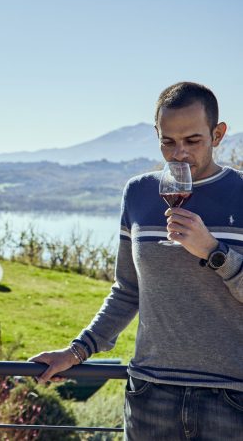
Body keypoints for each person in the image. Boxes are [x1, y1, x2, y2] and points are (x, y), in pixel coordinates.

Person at [29, 82, 243, 440]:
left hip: (231, 397)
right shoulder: (140, 192)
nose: (179, 155)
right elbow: (128, 290)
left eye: (193, 141)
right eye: (168, 142)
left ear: (218, 134)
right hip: (150, 394)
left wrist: (213, 251)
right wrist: (78, 350)